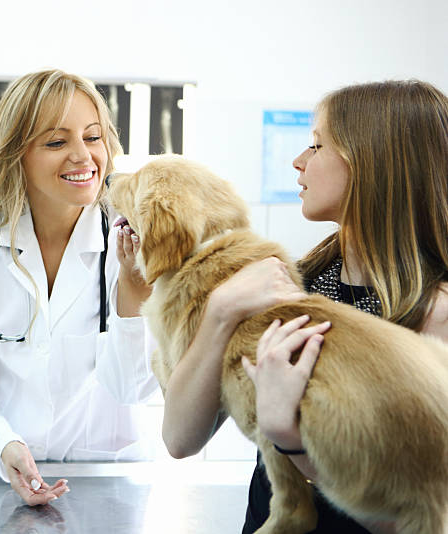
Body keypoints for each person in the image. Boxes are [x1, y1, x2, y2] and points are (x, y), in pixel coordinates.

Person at [161, 79, 448, 534]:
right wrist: (219, 312)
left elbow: (420, 515)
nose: (298, 162)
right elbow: (179, 439)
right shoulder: (290, 285)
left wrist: (293, 442)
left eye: (316, 146)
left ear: (374, 164)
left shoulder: (436, 314)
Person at [0, 69, 157, 506]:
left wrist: (132, 289)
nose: (83, 157)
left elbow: (134, 389)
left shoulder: (133, 241)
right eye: (56, 142)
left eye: (93, 137)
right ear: (18, 154)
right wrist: (2, 444)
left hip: (106, 476)